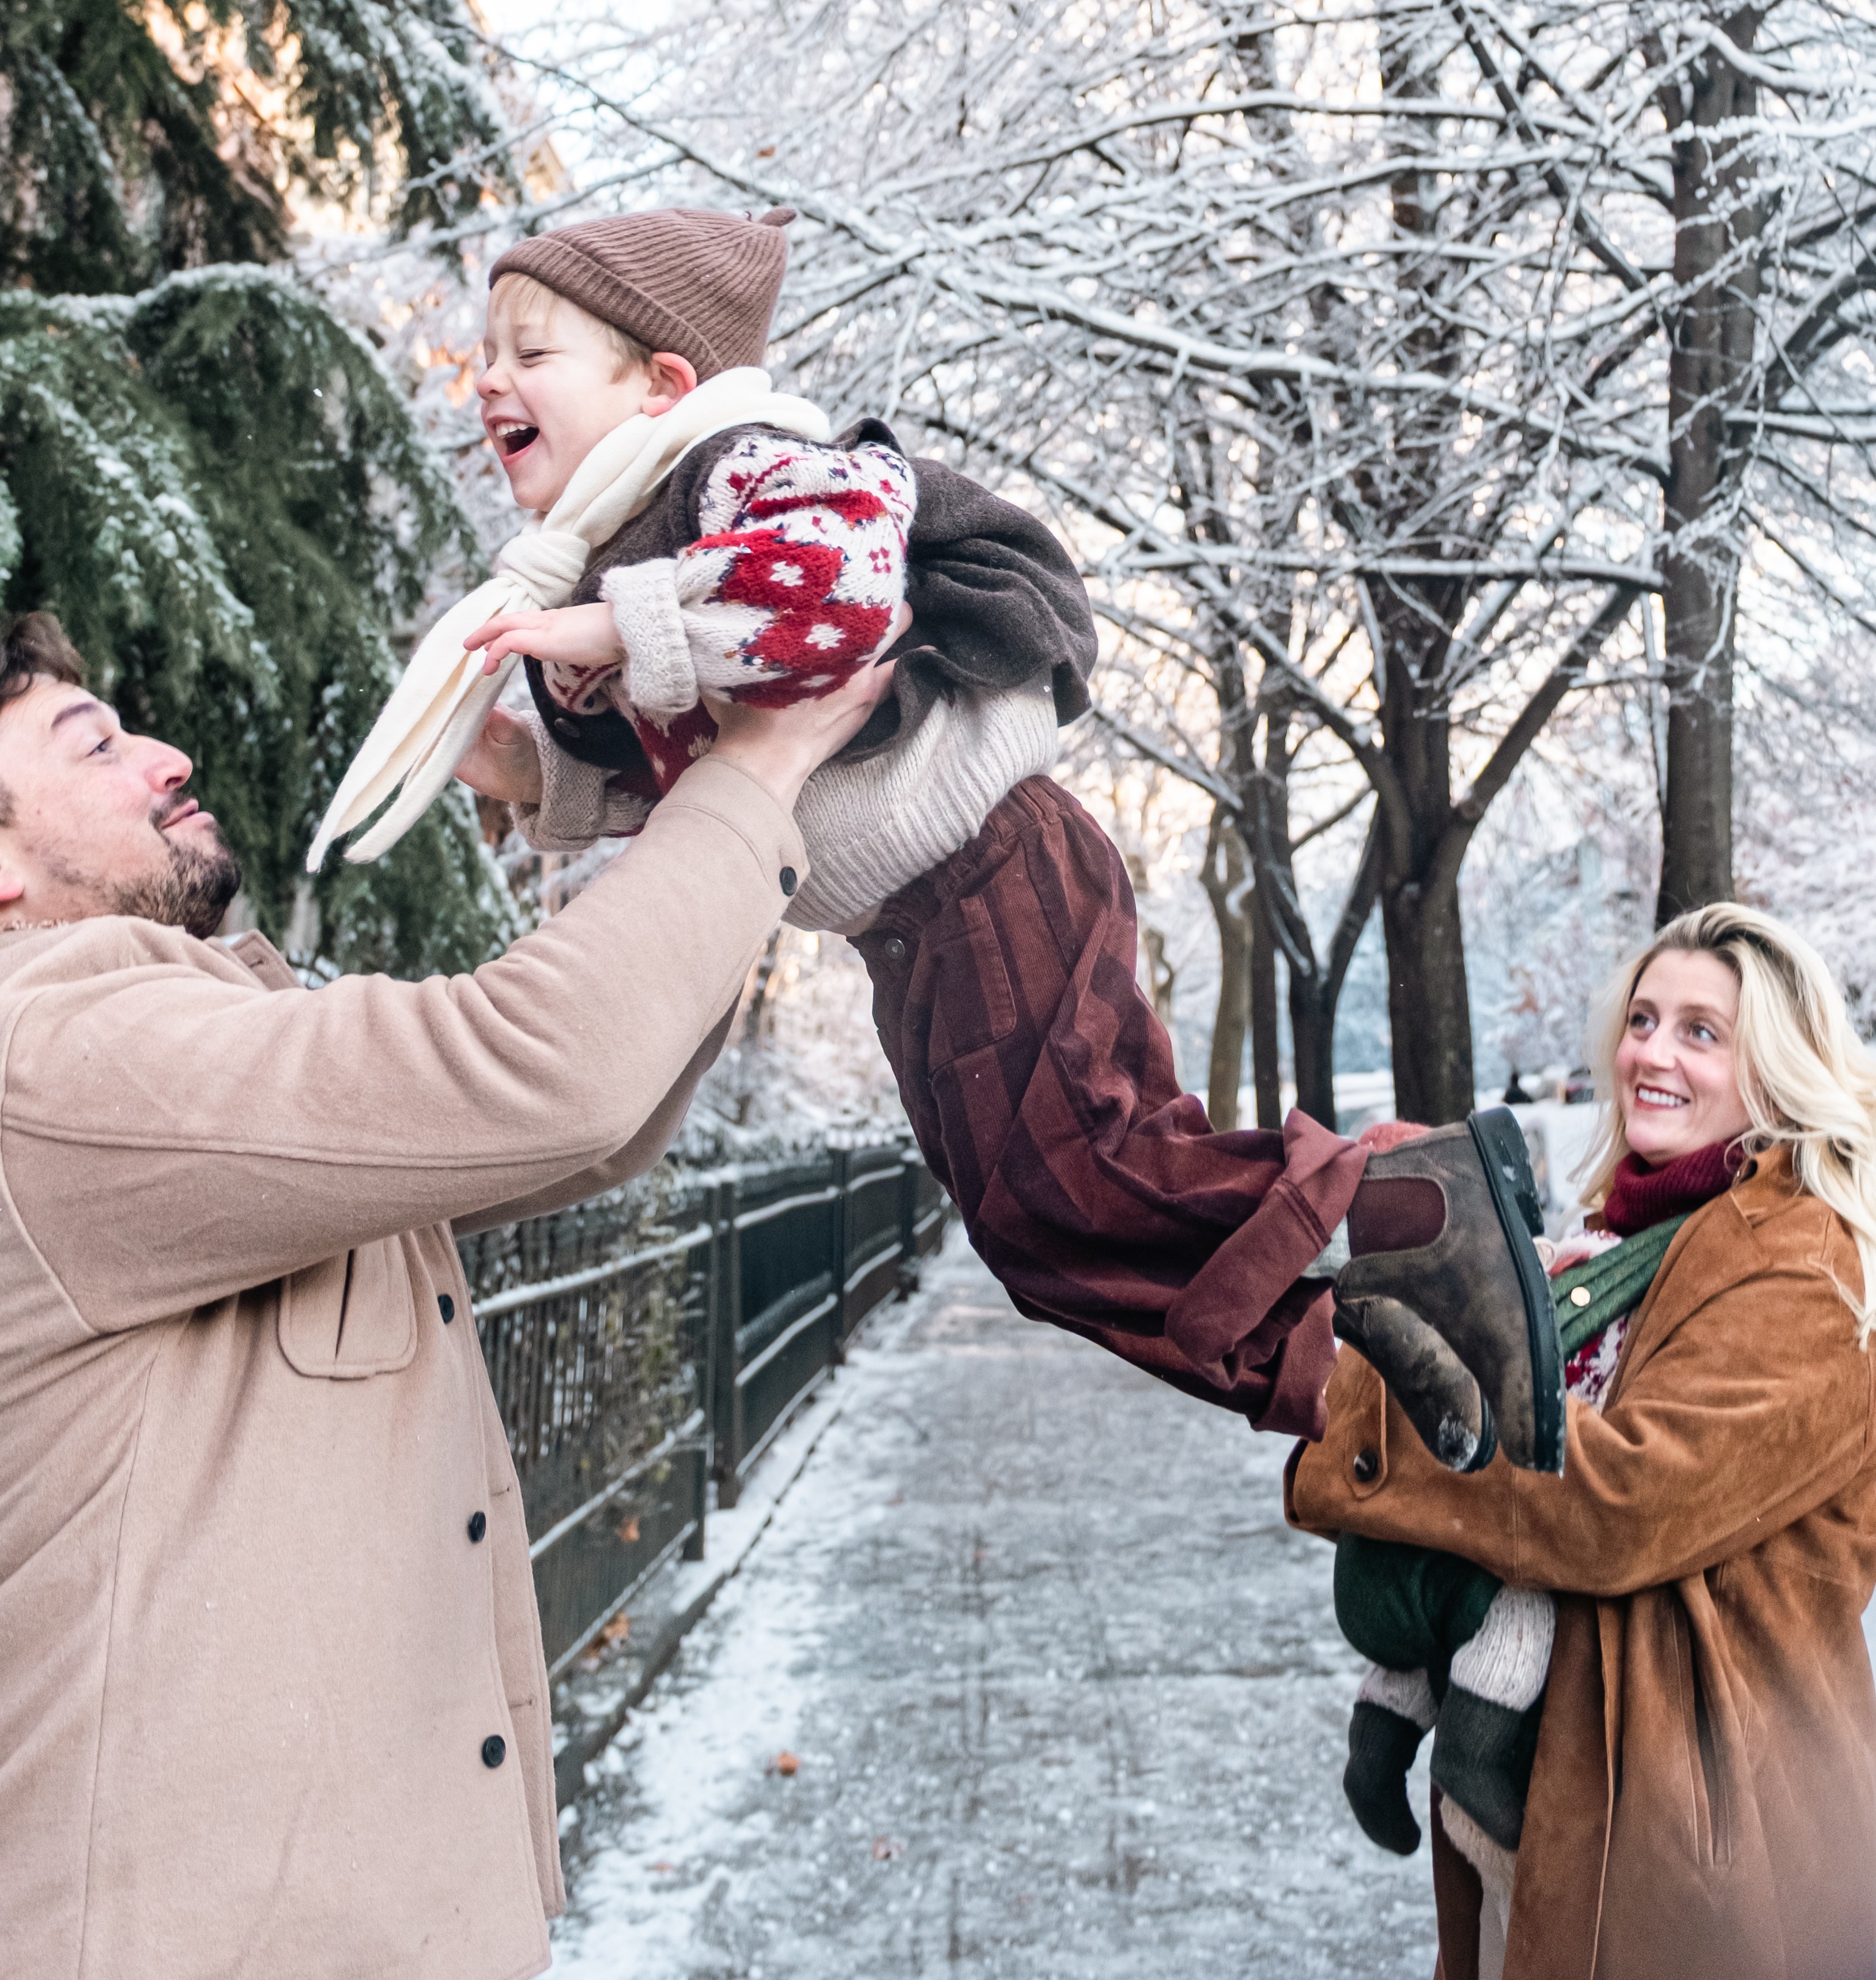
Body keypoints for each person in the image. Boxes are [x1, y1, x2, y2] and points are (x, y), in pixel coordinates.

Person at [378, 206, 1564, 1462]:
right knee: (1034, 1238)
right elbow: (698, 780)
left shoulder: (738, 466)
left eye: (530, 351)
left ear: (663, 381)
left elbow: (832, 582)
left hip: (991, 871)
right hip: (915, 930)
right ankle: (1357, 1363)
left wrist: (619, 629)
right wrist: (509, 756)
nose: (487, 378)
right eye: (484, 351)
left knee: (1088, 1174)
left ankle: (1409, 1195)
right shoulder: (620, 554)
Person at [0, 603, 893, 1979]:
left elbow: (582, 1112)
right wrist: (752, 767)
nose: (166, 753)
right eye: (96, 743)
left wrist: (690, 795)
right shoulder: (51, 1056)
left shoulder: (159, 1054)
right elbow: (542, 1065)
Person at [1288, 904, 1876, 1980]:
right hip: (1579, 1811)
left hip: (1706, 1847)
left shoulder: (1805, 1268)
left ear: (1779, 1067)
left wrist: (1382, 1429)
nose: (1653, 1050)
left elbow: (1621, 1502)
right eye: (1644, 1018)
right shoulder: (1635, 1237)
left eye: (1703, 1031)